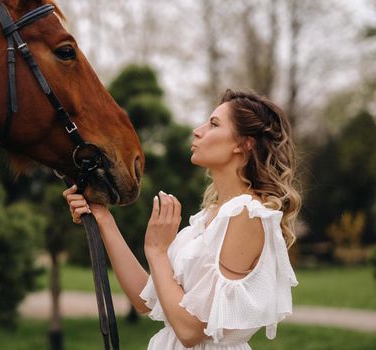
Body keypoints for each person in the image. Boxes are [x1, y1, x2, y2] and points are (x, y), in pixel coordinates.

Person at [63, 89, 301, 349]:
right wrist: (103, 219)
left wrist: (157, 250)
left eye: (214, 124)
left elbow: (190, 330)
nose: (198, 131)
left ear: (244, 143)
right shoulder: (211, 215)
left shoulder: (247, 214)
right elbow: (146, 300)